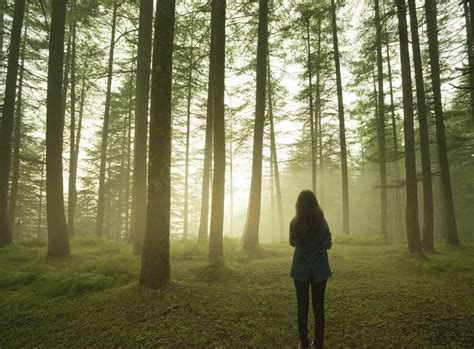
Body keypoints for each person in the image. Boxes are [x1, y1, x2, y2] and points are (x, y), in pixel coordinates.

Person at [289, 190, 332, 349]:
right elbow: (328, 244)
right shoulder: (323, 222)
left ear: (298, 205)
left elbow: (292, 243)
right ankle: (319, 344)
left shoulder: (294, 223)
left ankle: (304, 343)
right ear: (315, 204)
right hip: (320, 269)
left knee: (302, 306)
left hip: (300, 269)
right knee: (318, 306)